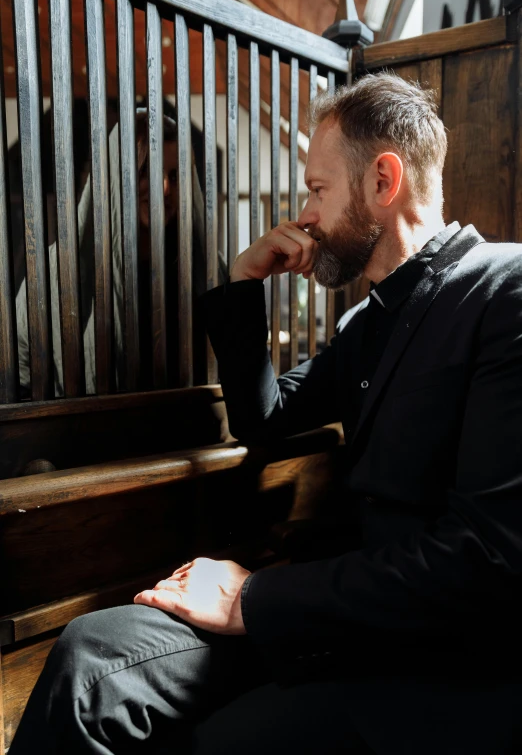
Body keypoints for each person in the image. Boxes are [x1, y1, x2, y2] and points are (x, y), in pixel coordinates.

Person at [9, 73, 522, 754]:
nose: (305, 214)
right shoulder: (372, 322)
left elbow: (488, 561)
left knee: (214, 741)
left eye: (317, 189)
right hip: (339, 622)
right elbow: (266, 419)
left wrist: (253, 596)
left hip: (442, 668)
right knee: (90, 661)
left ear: (382, 181)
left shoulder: (504, 290)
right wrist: (242, 284)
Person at [15, 109, 226, 396]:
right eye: (145, 171)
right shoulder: (55, 274)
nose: (164, 188)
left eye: (175, 176)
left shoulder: (209, 271)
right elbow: (21, 375)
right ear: (114, 176)